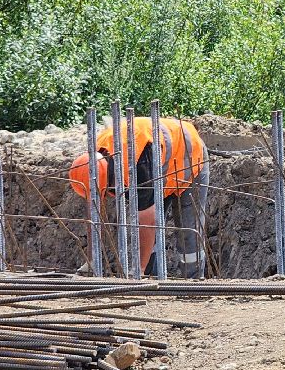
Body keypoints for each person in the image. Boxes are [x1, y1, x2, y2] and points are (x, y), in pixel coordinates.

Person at [69, 116, 210, 277]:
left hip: (189, 156)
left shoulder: (138, 167)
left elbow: (148, 223)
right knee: (150, 238)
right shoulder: (92, 165)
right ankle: (152, 279)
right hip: (160, 163)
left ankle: (193, 281)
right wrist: (92, 259)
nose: (108, 196)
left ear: (111, 178)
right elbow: (94, 214)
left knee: (188, 231)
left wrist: (138, 270)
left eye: (106, 192)